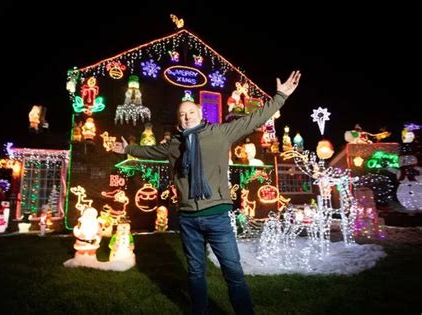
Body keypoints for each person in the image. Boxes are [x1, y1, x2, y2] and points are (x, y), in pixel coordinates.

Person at [113, 70, 301, 314]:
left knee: (233, 272)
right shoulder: (174, 145)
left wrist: (280, 97)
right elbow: (151, 152)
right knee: (195, 272)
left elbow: (254, 119)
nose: (187, 117)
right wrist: (129, 149)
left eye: (191, 112)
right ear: (179, 120)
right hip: (189, 219)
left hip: (218, 216)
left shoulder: (221, 133)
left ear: (200, 114)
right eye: (182, 114)